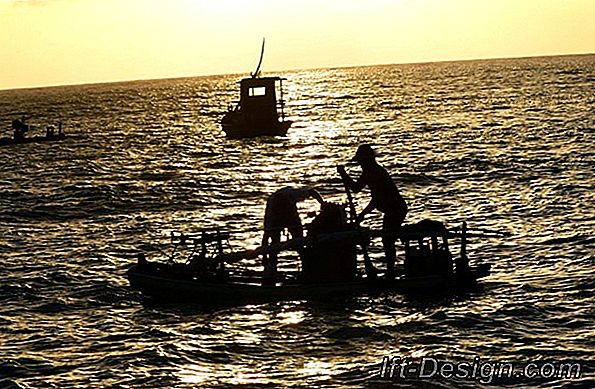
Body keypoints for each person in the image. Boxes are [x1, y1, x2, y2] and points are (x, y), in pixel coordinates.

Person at [337, 144, 408, 279]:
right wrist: (344, 175)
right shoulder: (368, 173)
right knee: (388, 240)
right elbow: (356, 188)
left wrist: (361, 216)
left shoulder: (376, 172)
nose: (360, 165)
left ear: (367, 160)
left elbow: (376, 200)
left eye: (361, 162)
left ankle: (390, 272)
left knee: (388, 240)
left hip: (396, 209)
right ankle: (390, 271)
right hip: (389, 210)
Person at [261, 186, 325, 282]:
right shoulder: (271, 211)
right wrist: (264, 257)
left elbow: (312, 192)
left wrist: (322, 204)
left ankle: (306, 267)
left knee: (299, 241)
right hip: (277, 217)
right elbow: (266, 237)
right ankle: (271, 269)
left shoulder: (292, 194)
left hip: (290, 215)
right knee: (274, 243)